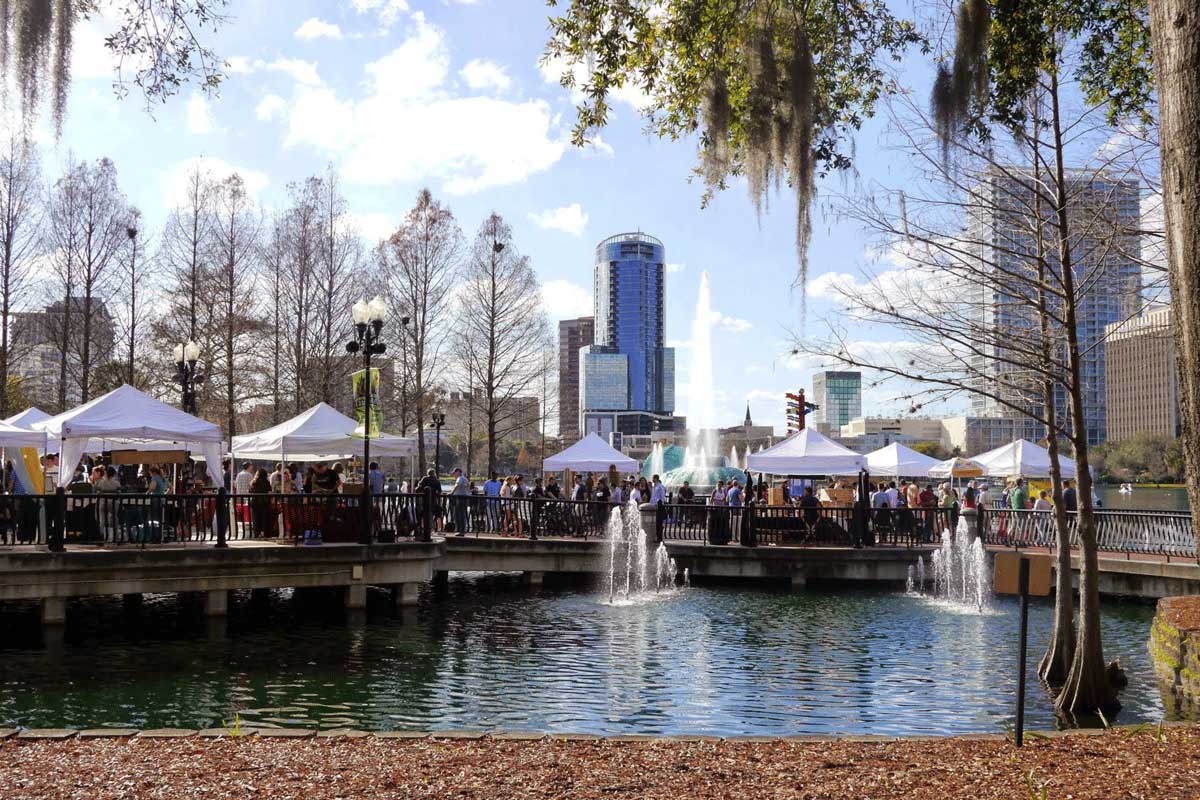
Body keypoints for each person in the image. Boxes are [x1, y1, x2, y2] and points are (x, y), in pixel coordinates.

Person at [250, 468, 273, 537]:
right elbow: (269, 491)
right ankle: (265, 533)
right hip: (264, 502)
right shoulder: (266, 482)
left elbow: (250, 491)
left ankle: (256, 533)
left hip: (255, 502)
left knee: (256, 518)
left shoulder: (254, 482)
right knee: (265, 518)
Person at [450, 467, 468, 535]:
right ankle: (462, 530)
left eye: (455, 473)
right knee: (462, 514)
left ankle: (461, 530)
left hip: (460, 498)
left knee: (459, 514)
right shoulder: (465, 478)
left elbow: (457, 485)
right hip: (463, 498)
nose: (454, 475)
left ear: (458, 472)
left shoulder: (460, 478)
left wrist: (451, 492)